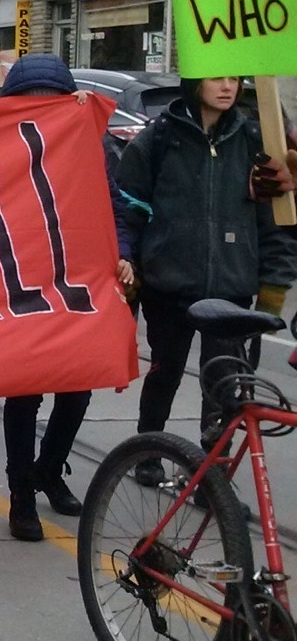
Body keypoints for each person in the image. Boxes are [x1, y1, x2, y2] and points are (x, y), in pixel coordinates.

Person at [119, 75, 297, 487]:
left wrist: (271, 296)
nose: (226, 87)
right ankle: (149, 451)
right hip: (169, 287)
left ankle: (212, 477)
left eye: (233, 79)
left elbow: (276, 222)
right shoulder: (158, 139)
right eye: (216, 78)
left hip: (231, 291)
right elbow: (128, 209)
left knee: (227, 388)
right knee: (164, 374)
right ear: (195, 83)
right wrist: (130, 269)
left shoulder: (256, 140)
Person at [0, 55, 132, 540]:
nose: (40, 111)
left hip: (76, 284)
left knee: (76, 387)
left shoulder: (92, 145)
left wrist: (124, 254)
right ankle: (20, 495)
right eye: (30, 104)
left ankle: (48, 468)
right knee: (25, 391)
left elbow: (113, 205)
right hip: (21, 284)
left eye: (50, 103)